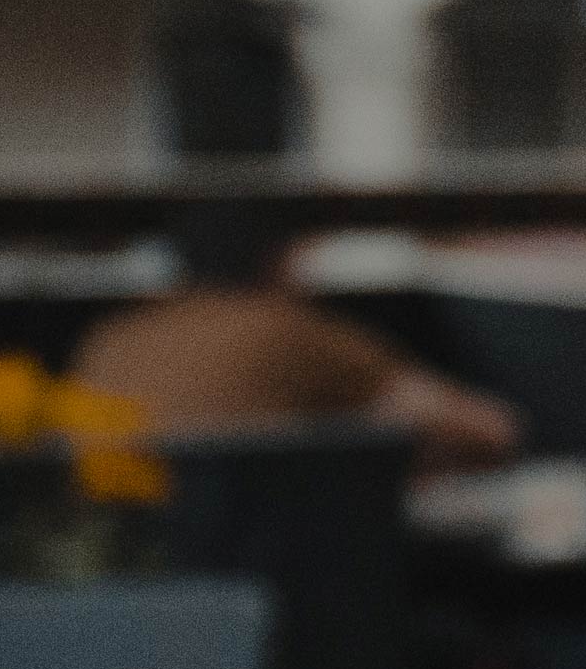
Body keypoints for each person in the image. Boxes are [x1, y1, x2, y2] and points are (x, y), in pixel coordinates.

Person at [71, 201, 520, 470]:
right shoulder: (289, 333)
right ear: (282, 260)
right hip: (277, 599)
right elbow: (489, 432)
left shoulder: (111, 339)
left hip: (130, 596)